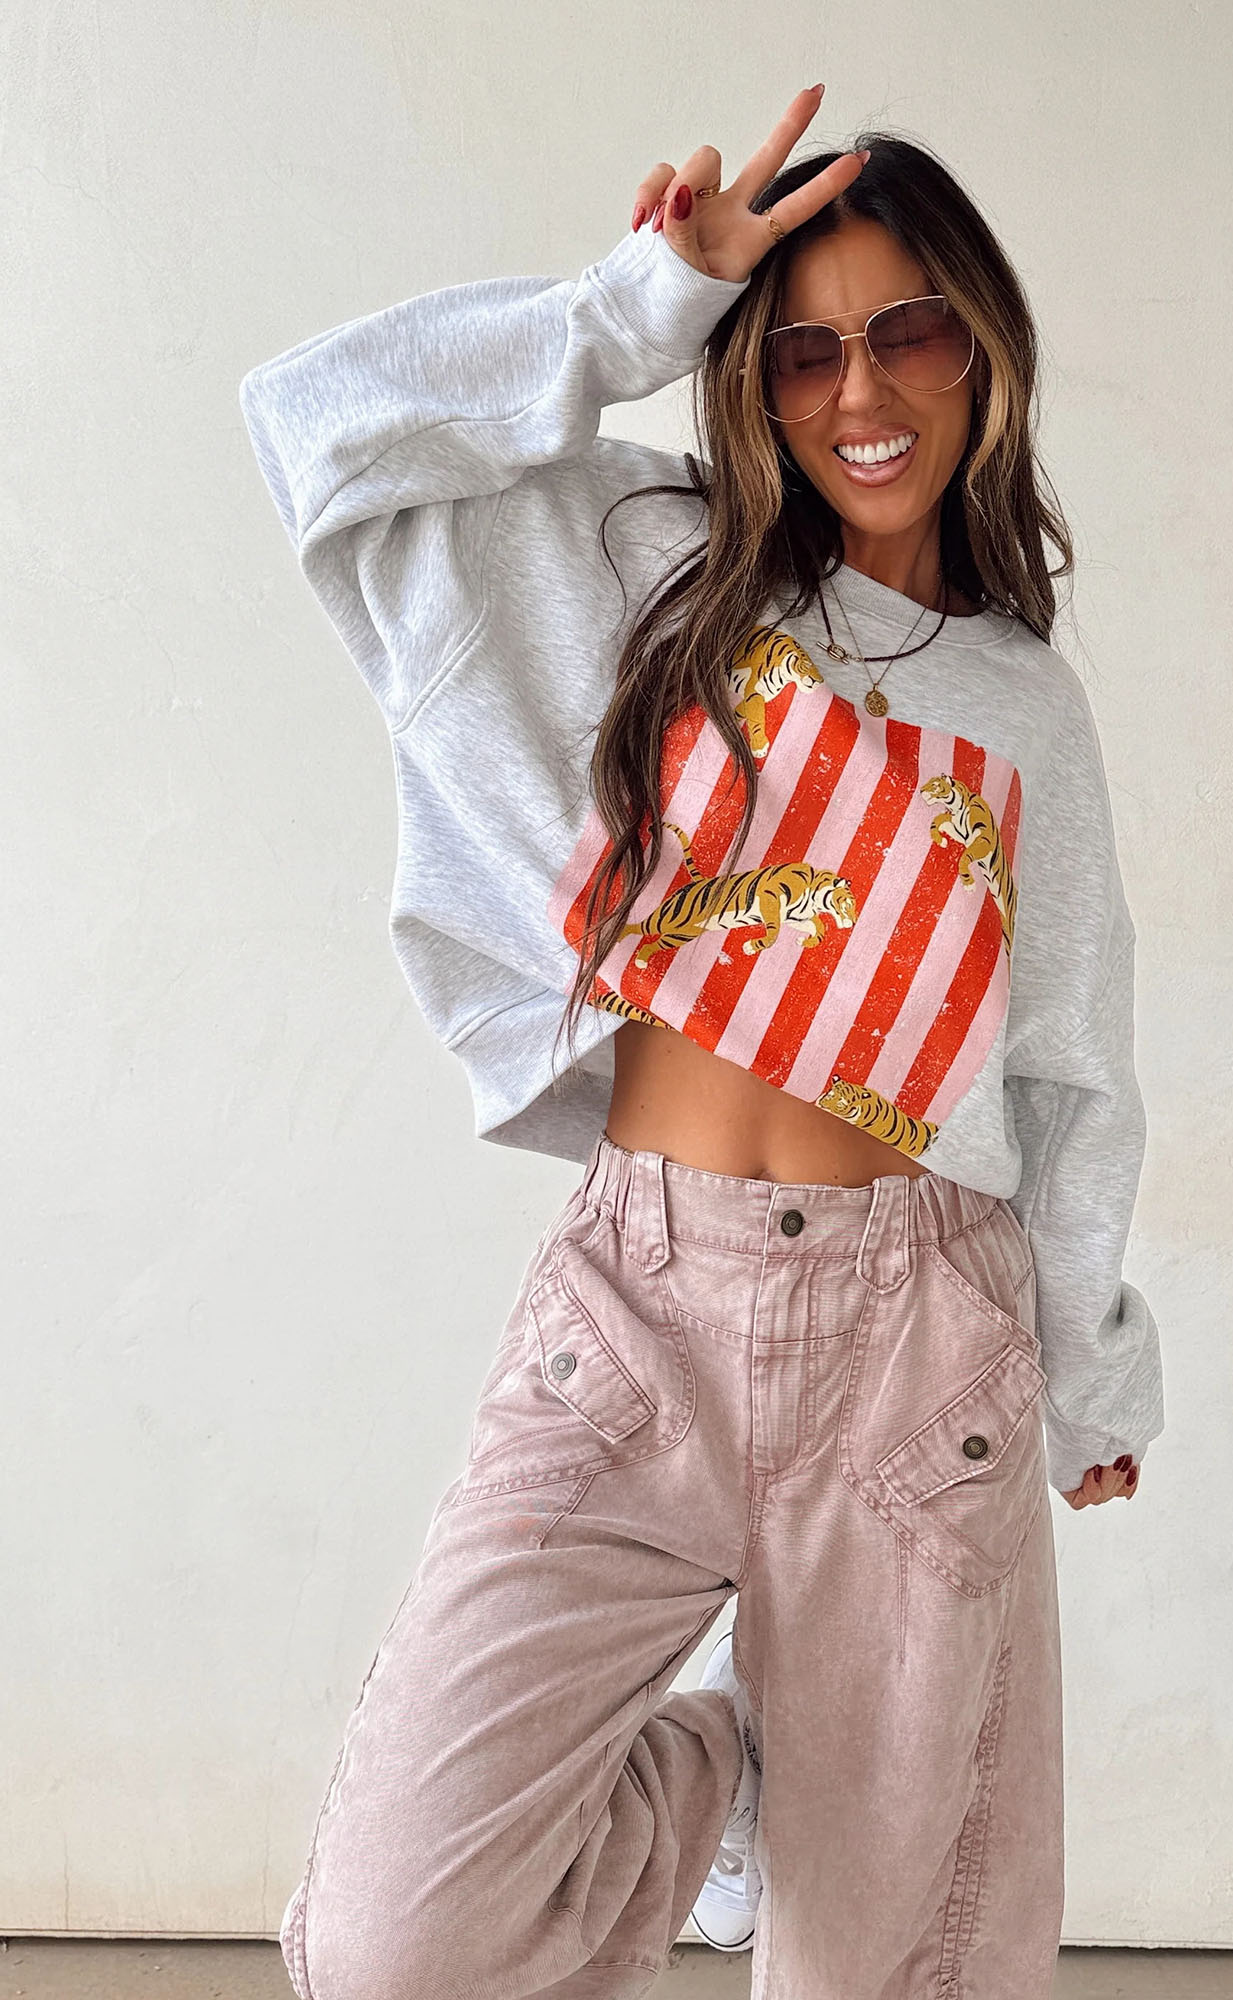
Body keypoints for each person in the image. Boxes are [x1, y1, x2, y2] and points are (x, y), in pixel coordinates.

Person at [240, 82, 1164, 2000]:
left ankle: (802, 1779)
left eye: (909, 331)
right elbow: (320, 431)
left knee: (892, 1963)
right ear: (752, 379)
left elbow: (1069, 1071)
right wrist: (632, 306)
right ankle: (732, 1770)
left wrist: (1088, 1375)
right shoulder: (651, 559)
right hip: (640, 1305)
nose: (860, 391)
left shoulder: (1023, 705)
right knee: (402, 1942)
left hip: (923, 1340)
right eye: (804, 349)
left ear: (983, 348)